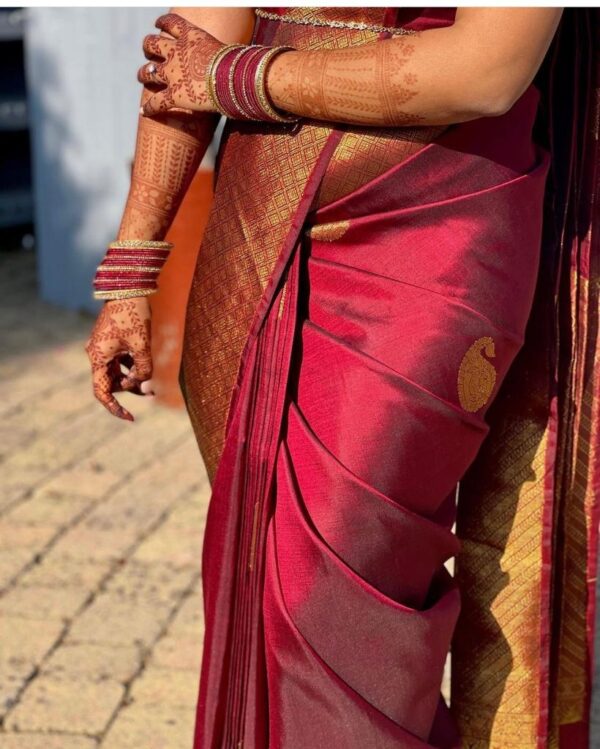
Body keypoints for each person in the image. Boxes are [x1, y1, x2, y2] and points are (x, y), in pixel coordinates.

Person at [84, 7, 599, 748]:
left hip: (433, 231)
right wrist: (135, 265)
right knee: (263, 578)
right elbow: (189, 45)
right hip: (259, 228)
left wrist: (238, 77)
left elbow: (488, 71)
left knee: (331, 599)